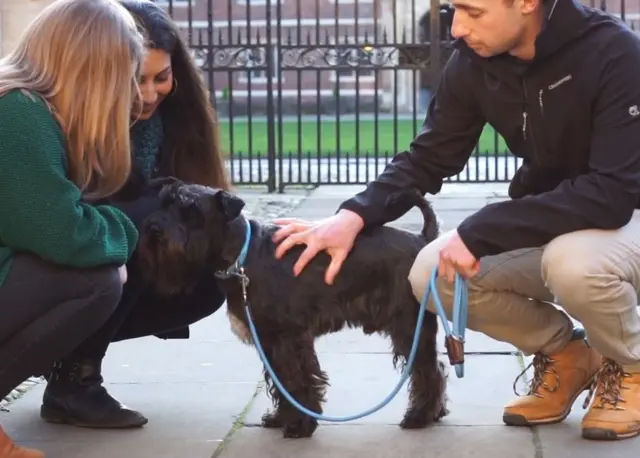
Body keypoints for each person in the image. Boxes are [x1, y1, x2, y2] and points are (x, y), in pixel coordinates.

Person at [272, 0, 640, 442]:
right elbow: (430, 156)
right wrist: (351, 216)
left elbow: (611, 194)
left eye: (473, 12)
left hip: (626, 218)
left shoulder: (615, 54)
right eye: (452, 11)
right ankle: (566, 355)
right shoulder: (475, 60)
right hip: (554, 219)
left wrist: (480, 229)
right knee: (432, 274)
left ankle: (631, 368)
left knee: (573, 264)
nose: (458, 28)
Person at [37, 0, 231, 430]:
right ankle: (73, 377)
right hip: (51, 266)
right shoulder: (54, 121)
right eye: (134, 80)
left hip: (103, 261)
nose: (148, 95)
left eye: (161, 78)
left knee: (203, 285)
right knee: (142, 229)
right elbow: (61, 227)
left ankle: (64, 358)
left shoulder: (170, 123)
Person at [0, 0, 146, 456]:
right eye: (127, 74)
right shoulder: (19, 114)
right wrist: (124, 232)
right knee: (94, 281)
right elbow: (62, 232)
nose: (131, 92)